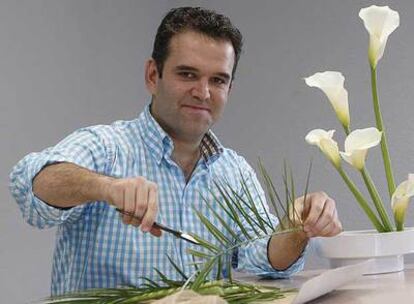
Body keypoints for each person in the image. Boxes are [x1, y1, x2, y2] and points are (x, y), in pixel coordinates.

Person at [9, 7, 342, 296]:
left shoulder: (234, 173)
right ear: (153, 75)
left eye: (218, 80)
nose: (203, 92)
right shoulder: (107, 146)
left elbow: (265, 259)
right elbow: (32, 184)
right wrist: (106, 188)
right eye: (187, 74)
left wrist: (297, 228)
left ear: (229, 89)